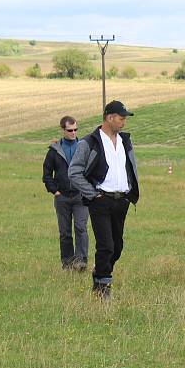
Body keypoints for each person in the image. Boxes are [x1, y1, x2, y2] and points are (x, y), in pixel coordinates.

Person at [69, 101, 139, 300]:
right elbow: (74, 172)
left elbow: (131, 168)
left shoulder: (126, 141)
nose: (124, 122)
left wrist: (130, 191)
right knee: (106, 246)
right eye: (121, 118)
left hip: (121, 201)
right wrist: (92, 194)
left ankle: (100, 273)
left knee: (117, 247)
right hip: (100, 200)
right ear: (109, 118)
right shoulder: (89, 142)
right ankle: (102, 287)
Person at [43, 115, 89, 271]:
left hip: (80, 196)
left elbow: (92, 170)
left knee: (81, 228)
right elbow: (47, 174)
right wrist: (54, 191)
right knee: (65, 232)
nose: (74, 133)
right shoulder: (54, 150)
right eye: (70, 130)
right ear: (63, 130)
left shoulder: (84, 147)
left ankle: (81, 261)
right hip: (62, 197)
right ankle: (68, 263)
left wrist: (88, 189)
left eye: (76, 129)